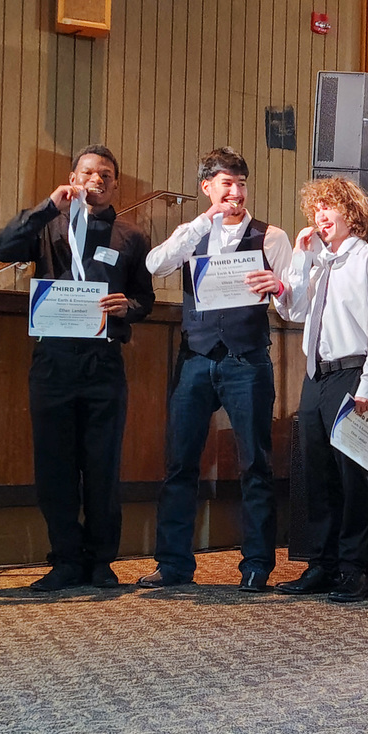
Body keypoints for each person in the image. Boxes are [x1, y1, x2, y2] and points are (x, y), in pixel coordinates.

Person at [0, 144, 154, 591]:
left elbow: (146, 297)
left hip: (103, 362)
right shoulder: (48, 226)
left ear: (115, 183)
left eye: (105, 175)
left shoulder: (130, 235)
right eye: (87, 173)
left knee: (102, 465)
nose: (96, 180)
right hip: (53, 360)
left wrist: (129, 307)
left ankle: (100, 560)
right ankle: (64, 560)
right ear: (73, 177)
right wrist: (47, 207)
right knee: (54, 465)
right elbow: (0, 248)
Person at [139, 147, 291, 592]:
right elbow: (154, 265)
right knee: (180, 462)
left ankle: (257, 564)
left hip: (248, 359)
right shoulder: (192, 233)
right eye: (226, 183)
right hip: (197, 358)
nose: (236, 192)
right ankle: (173, 564)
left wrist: (277, 287)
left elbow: (293, 302)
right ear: (207, 188)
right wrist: (201, 222)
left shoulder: (271, 236)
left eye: (241, 183)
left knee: (255, 463)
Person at [273, 177, 368, 602]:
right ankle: (321, 565)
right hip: (316, 377)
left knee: (353, 477)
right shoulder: (317, 262)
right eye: (316, 210)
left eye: (329, 208)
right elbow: (291, 310)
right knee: (316, 475)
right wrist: (299, 258)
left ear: (352, 214)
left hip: (352, 376)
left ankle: (354, 569)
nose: (320, 217)